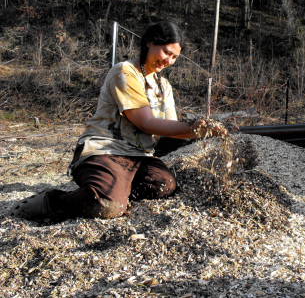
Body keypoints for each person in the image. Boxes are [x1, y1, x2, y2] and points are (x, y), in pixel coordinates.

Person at [8, 21, 227, 221]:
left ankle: (116, 188)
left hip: (137, 155)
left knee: (164, 185)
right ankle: (50, 202)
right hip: (105, 149)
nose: (169, 61)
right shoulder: (125, 72)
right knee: (106, 205)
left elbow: (170, 129)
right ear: (150, 43)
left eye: (175, 57)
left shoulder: (164, 86)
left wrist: (205, 131)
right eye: (166, 52)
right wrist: (195, 129)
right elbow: (146, 122)